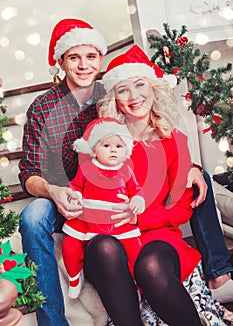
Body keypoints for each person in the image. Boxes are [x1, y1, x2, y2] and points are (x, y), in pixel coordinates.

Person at [18, 18, 233, 326]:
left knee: (202, 184)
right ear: (60, 61)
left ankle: (217, 269)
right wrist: (55, 191)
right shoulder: (45, 107)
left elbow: (159, 150)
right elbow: (29, 172)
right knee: (35, 216)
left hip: (126, 210)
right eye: (73, 57)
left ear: (100, 60)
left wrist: (191, 167)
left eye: (90, 56)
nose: (82, 65)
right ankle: (53, 322)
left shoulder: (113, 101)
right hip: (69, 199)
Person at [95, 45, 205, 325]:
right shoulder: (102, 142)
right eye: (122, 89)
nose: (133, 97)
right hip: (116, 236)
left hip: (159, 236)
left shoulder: (173, 139)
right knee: (102, 248)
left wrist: (137, 218)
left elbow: (181, 207)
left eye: (140, 85)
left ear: (153, 89)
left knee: (151, 265)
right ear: (114, 98)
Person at [62, 117, 145, 298]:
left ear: (126, 150)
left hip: (117, 221)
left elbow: (136, 190)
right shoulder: (86, 168)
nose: (113, 150)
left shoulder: (126, 170)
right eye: (106, 146)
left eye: (118, 146)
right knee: (70, 245)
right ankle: (75, 277)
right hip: (89, 219)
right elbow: (76, 186)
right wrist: (75, 196)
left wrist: (138, 200)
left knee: (135, 249)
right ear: (93, 150)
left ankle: (137, 283)